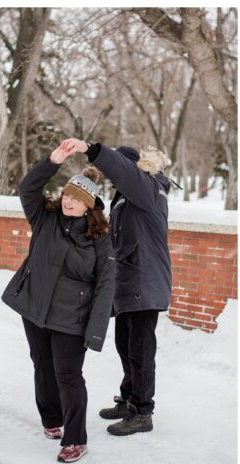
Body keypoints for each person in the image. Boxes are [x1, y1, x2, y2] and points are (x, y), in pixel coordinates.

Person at [1, 141, 115, 463]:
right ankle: (52, 419)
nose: (68, 201)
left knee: (68, 375)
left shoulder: (100, 237)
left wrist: (95, 330)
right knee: (42, 366)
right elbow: (27, 188)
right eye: (66, 195)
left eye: (77, 199)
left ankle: (76, 439)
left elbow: (107, 284)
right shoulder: (44, 219)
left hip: (72, 316)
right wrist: (52, 161)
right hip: (36, 308)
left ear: (89, 205)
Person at [65, 138, 171, 436]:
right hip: (128, 282)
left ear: (133, 169)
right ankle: (129, 398)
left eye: (119, 171)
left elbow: (123, 170)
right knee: (125, 345)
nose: (115, 178)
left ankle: (142, 411)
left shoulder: (147, 189)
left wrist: (92, 150)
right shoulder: (126, 196)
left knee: (140, 350)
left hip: (145, 281)